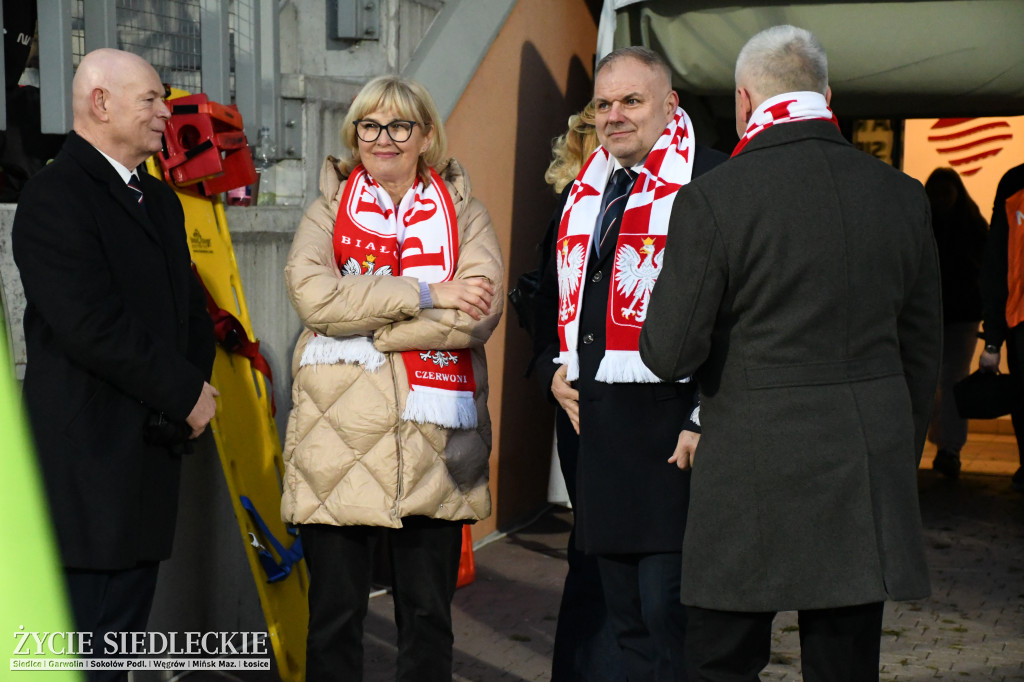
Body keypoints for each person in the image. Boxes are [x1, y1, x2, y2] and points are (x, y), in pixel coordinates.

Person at [639, 25, 940, 680]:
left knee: (721, 663)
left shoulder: (715, 198)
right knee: (845, 664)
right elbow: (922, 353)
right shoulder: (902, 195)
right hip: (863, 469)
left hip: (749, 474)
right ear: (826, 95)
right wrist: (892, 449)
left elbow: (668, 351)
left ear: (744, 100)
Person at [281, 75, 503, 682]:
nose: (384, 139)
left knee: (428, 622)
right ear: (355, 136)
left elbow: (477, 314)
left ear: (426, 135)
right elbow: (315, 301)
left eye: (400, 125)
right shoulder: (326, 213)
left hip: (433, 446)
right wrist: (429, 292)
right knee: (332, 621)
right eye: (370, 126)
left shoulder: (466, 215)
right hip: (337, 445)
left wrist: (375, 328)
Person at [12, 48, 218, 677]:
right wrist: (185, 392)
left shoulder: (159, 201)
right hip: (88, 468)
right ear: (100, 103)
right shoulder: (53, 195)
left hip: (148, 459)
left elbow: (189, 311)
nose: (165, 112)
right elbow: (90, 325)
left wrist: (196, 382)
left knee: (123, 640)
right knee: (83, 651)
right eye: (150, 99)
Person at [534, 46, 727, 681]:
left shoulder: (712, 182)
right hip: (600, 440)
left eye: (632, 101)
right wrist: (550, 372)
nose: (614, 116)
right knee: (626, 626)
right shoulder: (582, 194)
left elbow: (740, 317)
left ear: (669, 104)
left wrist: (704, 416)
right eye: (604, 103)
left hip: (674, 439)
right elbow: (549, 302)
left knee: (671, 621)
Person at [536, 104, 627, 682]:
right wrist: (550, 369)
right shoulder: (570, 211)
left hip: (646, 408)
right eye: (595, 130)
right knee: (590, 556)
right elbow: (543, 307)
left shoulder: (673, 195)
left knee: (628, 565)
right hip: (579, 411)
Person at [924, 168, 987, 478]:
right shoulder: (973, 226)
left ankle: (945, 444)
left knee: (935, 380)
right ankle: (949, 447)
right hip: (962, 313)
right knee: (953, 381)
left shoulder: (922, 226)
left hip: (936, 313)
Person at [979, 161, 1024, 493]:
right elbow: (997, 262)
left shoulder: (1016, 182)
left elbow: (995, 262)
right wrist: (993, 339)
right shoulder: (1015, 184)